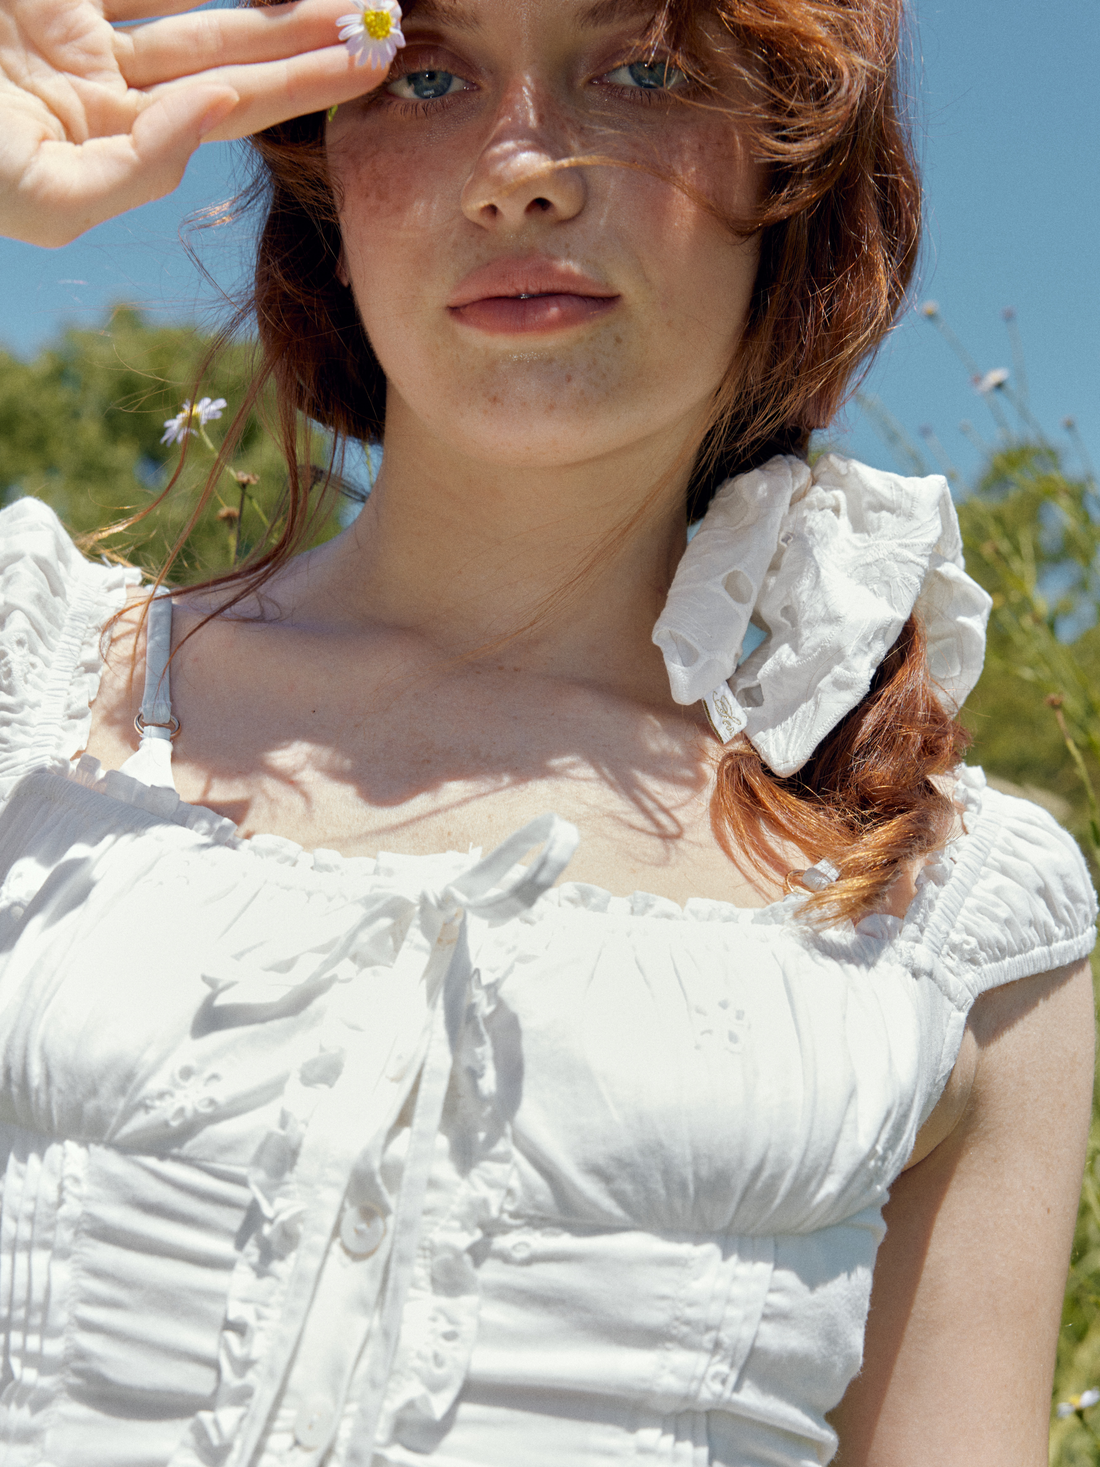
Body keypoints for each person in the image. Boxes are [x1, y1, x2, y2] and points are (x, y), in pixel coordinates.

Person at [0, 0, 1094, 1463]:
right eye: (429, 72)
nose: (523, 170)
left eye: (642, 69)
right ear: (320, 160)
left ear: (799, 170)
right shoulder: (30, 687)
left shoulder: (959, 914)